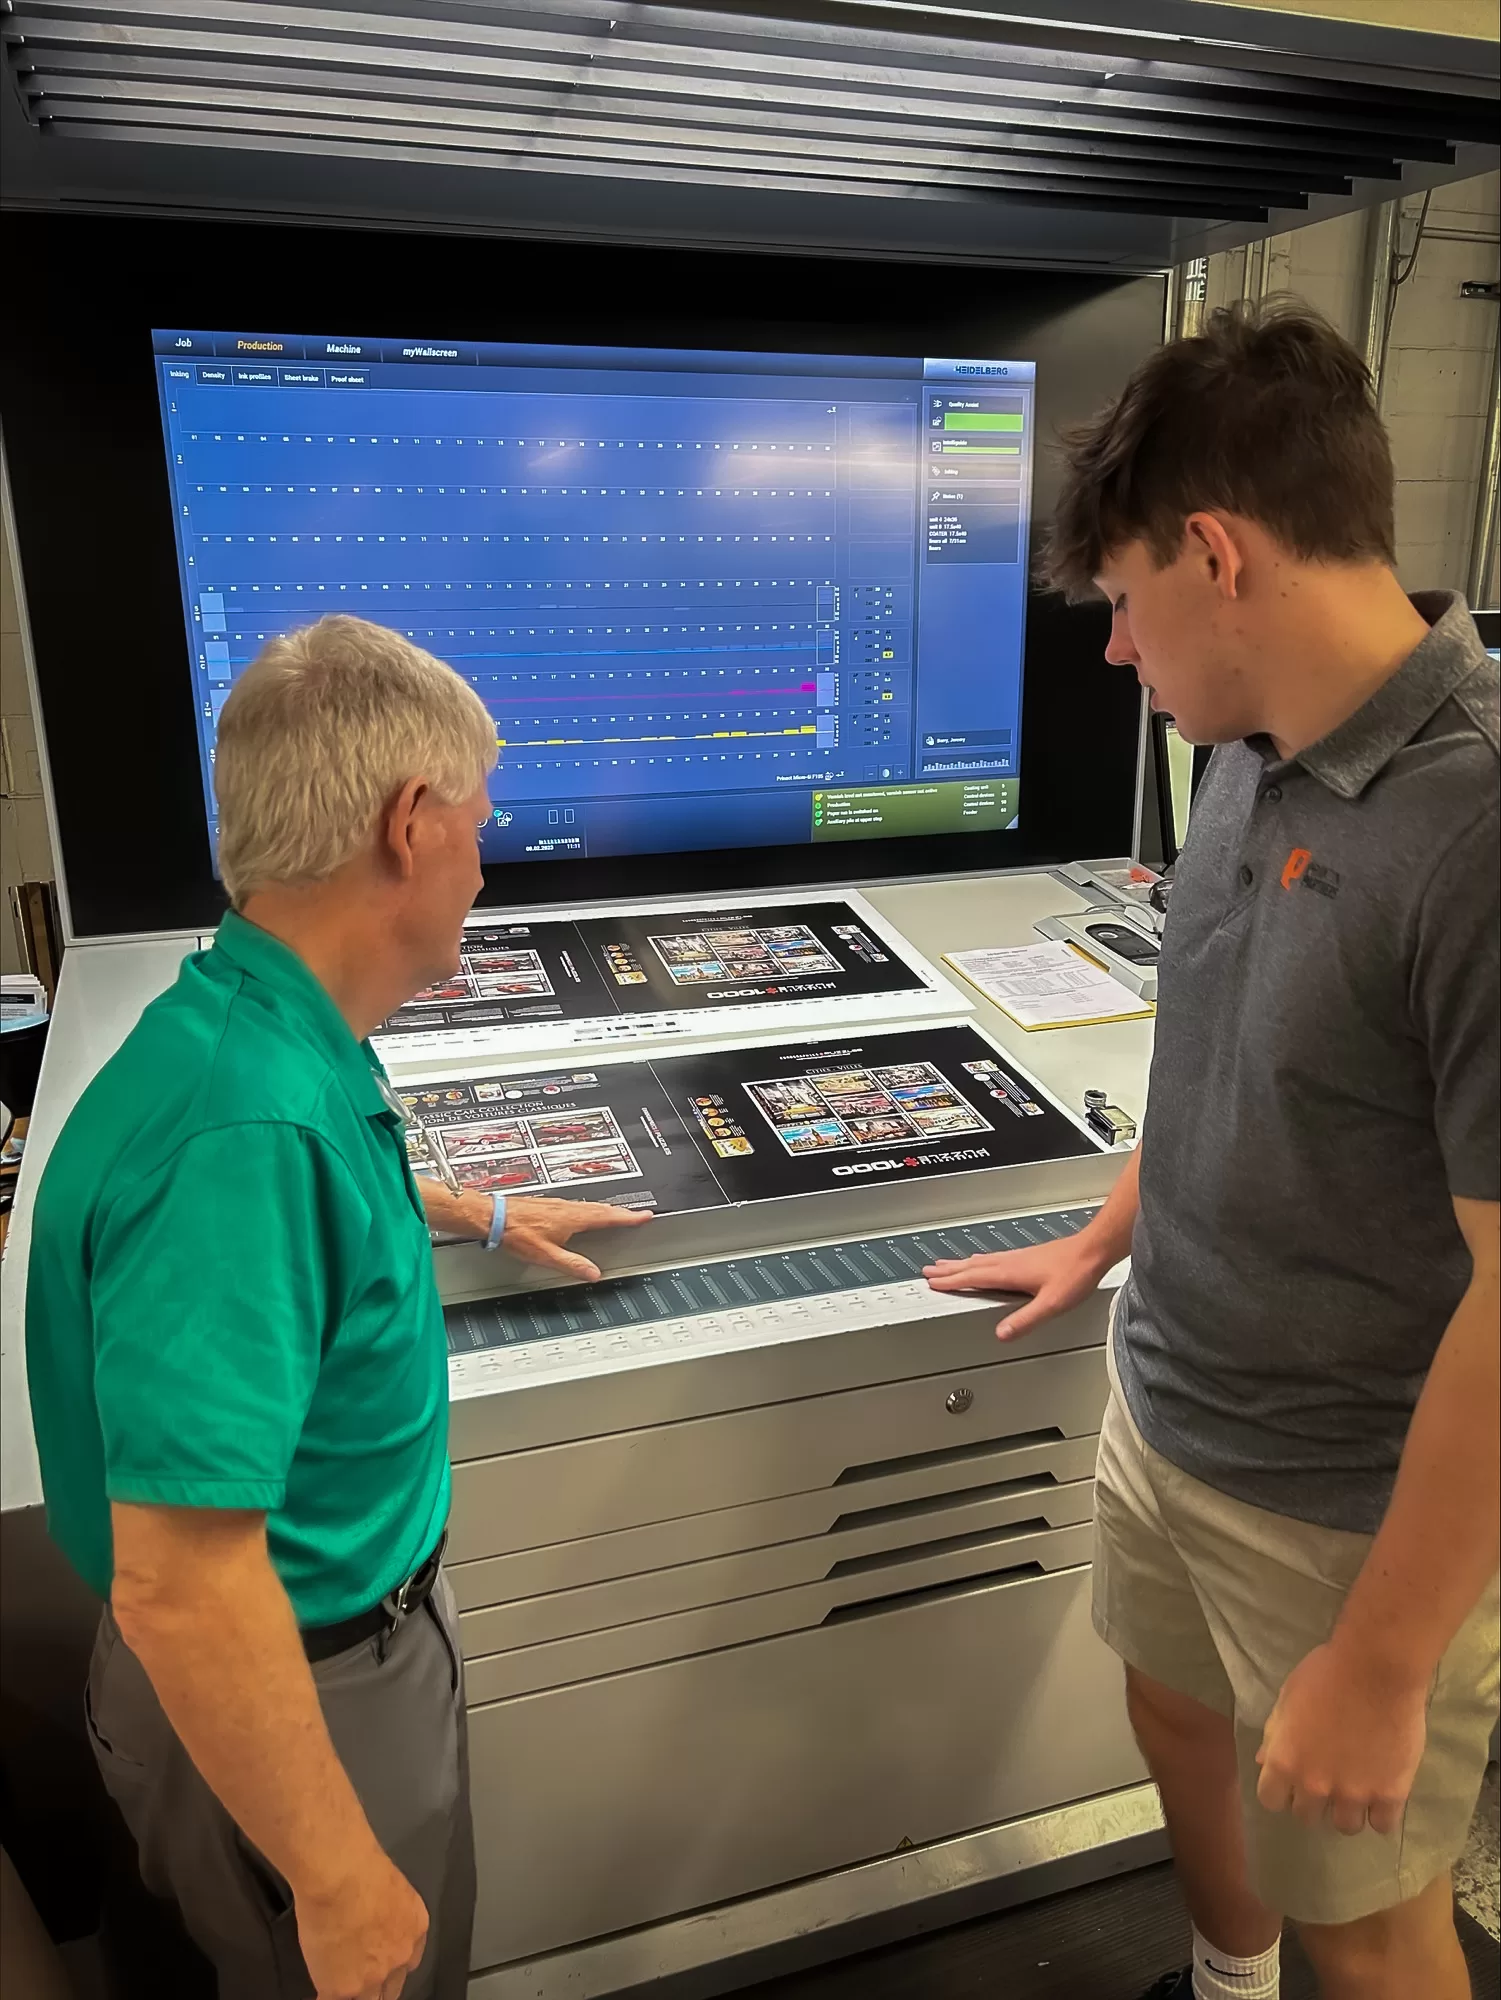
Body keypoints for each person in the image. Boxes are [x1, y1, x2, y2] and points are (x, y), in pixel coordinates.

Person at [925, 302, 1498, 2000]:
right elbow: (1227, 1046)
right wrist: (1111, 1234)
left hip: (1346, 1511)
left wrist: (1387, 1664)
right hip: (1170, 1402)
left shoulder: (1476, 838)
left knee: (1371, 1911)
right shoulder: (1244, 755)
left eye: (1120, 602)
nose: (1115, 652)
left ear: (1217, 555)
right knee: (1172, 1711)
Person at [25, 617, 651, 2000]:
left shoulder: (258, 1024)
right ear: (409, 827)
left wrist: (474, 1211)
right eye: (480, 827)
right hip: (292, 1693)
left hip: (335, 1657)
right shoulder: (238, 1141)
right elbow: (183, 1584)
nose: (487, 866)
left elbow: (302, 1192)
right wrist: (334, 1875)